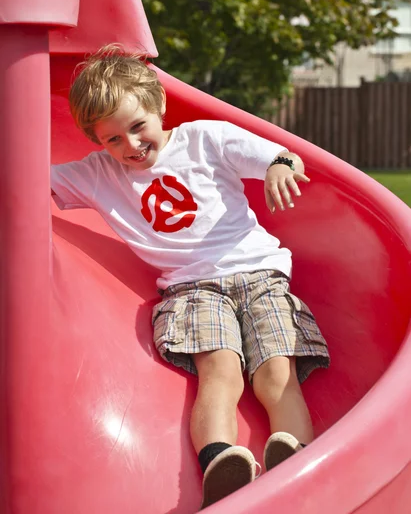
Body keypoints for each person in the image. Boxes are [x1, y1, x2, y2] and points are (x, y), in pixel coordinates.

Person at [51, 45, 330, 510]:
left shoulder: (205, 139)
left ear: (158, 106)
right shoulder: (99, 174)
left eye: (138, 127)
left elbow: (283, 157)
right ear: (97, 142)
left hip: (261, 274)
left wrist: (282, 168)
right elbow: (25, 178)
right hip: (192, 290)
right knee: (218, 370)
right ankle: (220, 464)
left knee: (275, 372)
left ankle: (293, 458)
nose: (131, 147)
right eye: (113, 139)